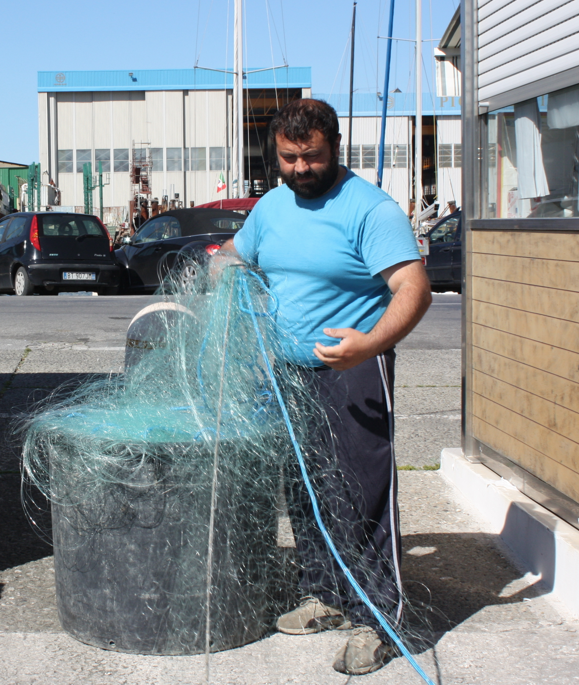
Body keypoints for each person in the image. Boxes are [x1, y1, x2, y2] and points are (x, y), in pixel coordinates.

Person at [217, 99, 431, 675]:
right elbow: (240, 254)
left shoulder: (371, 210)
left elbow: (414, 289)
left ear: (334, 146)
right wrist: (221, 264)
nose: (300, 168)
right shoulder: (270, 207)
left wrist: (370, 344)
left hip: (355, 368)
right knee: (306, 487)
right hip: (286, 373)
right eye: (288, 158)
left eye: (311, 156)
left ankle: (379, 618)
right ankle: (325, 595)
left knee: (363, 493)